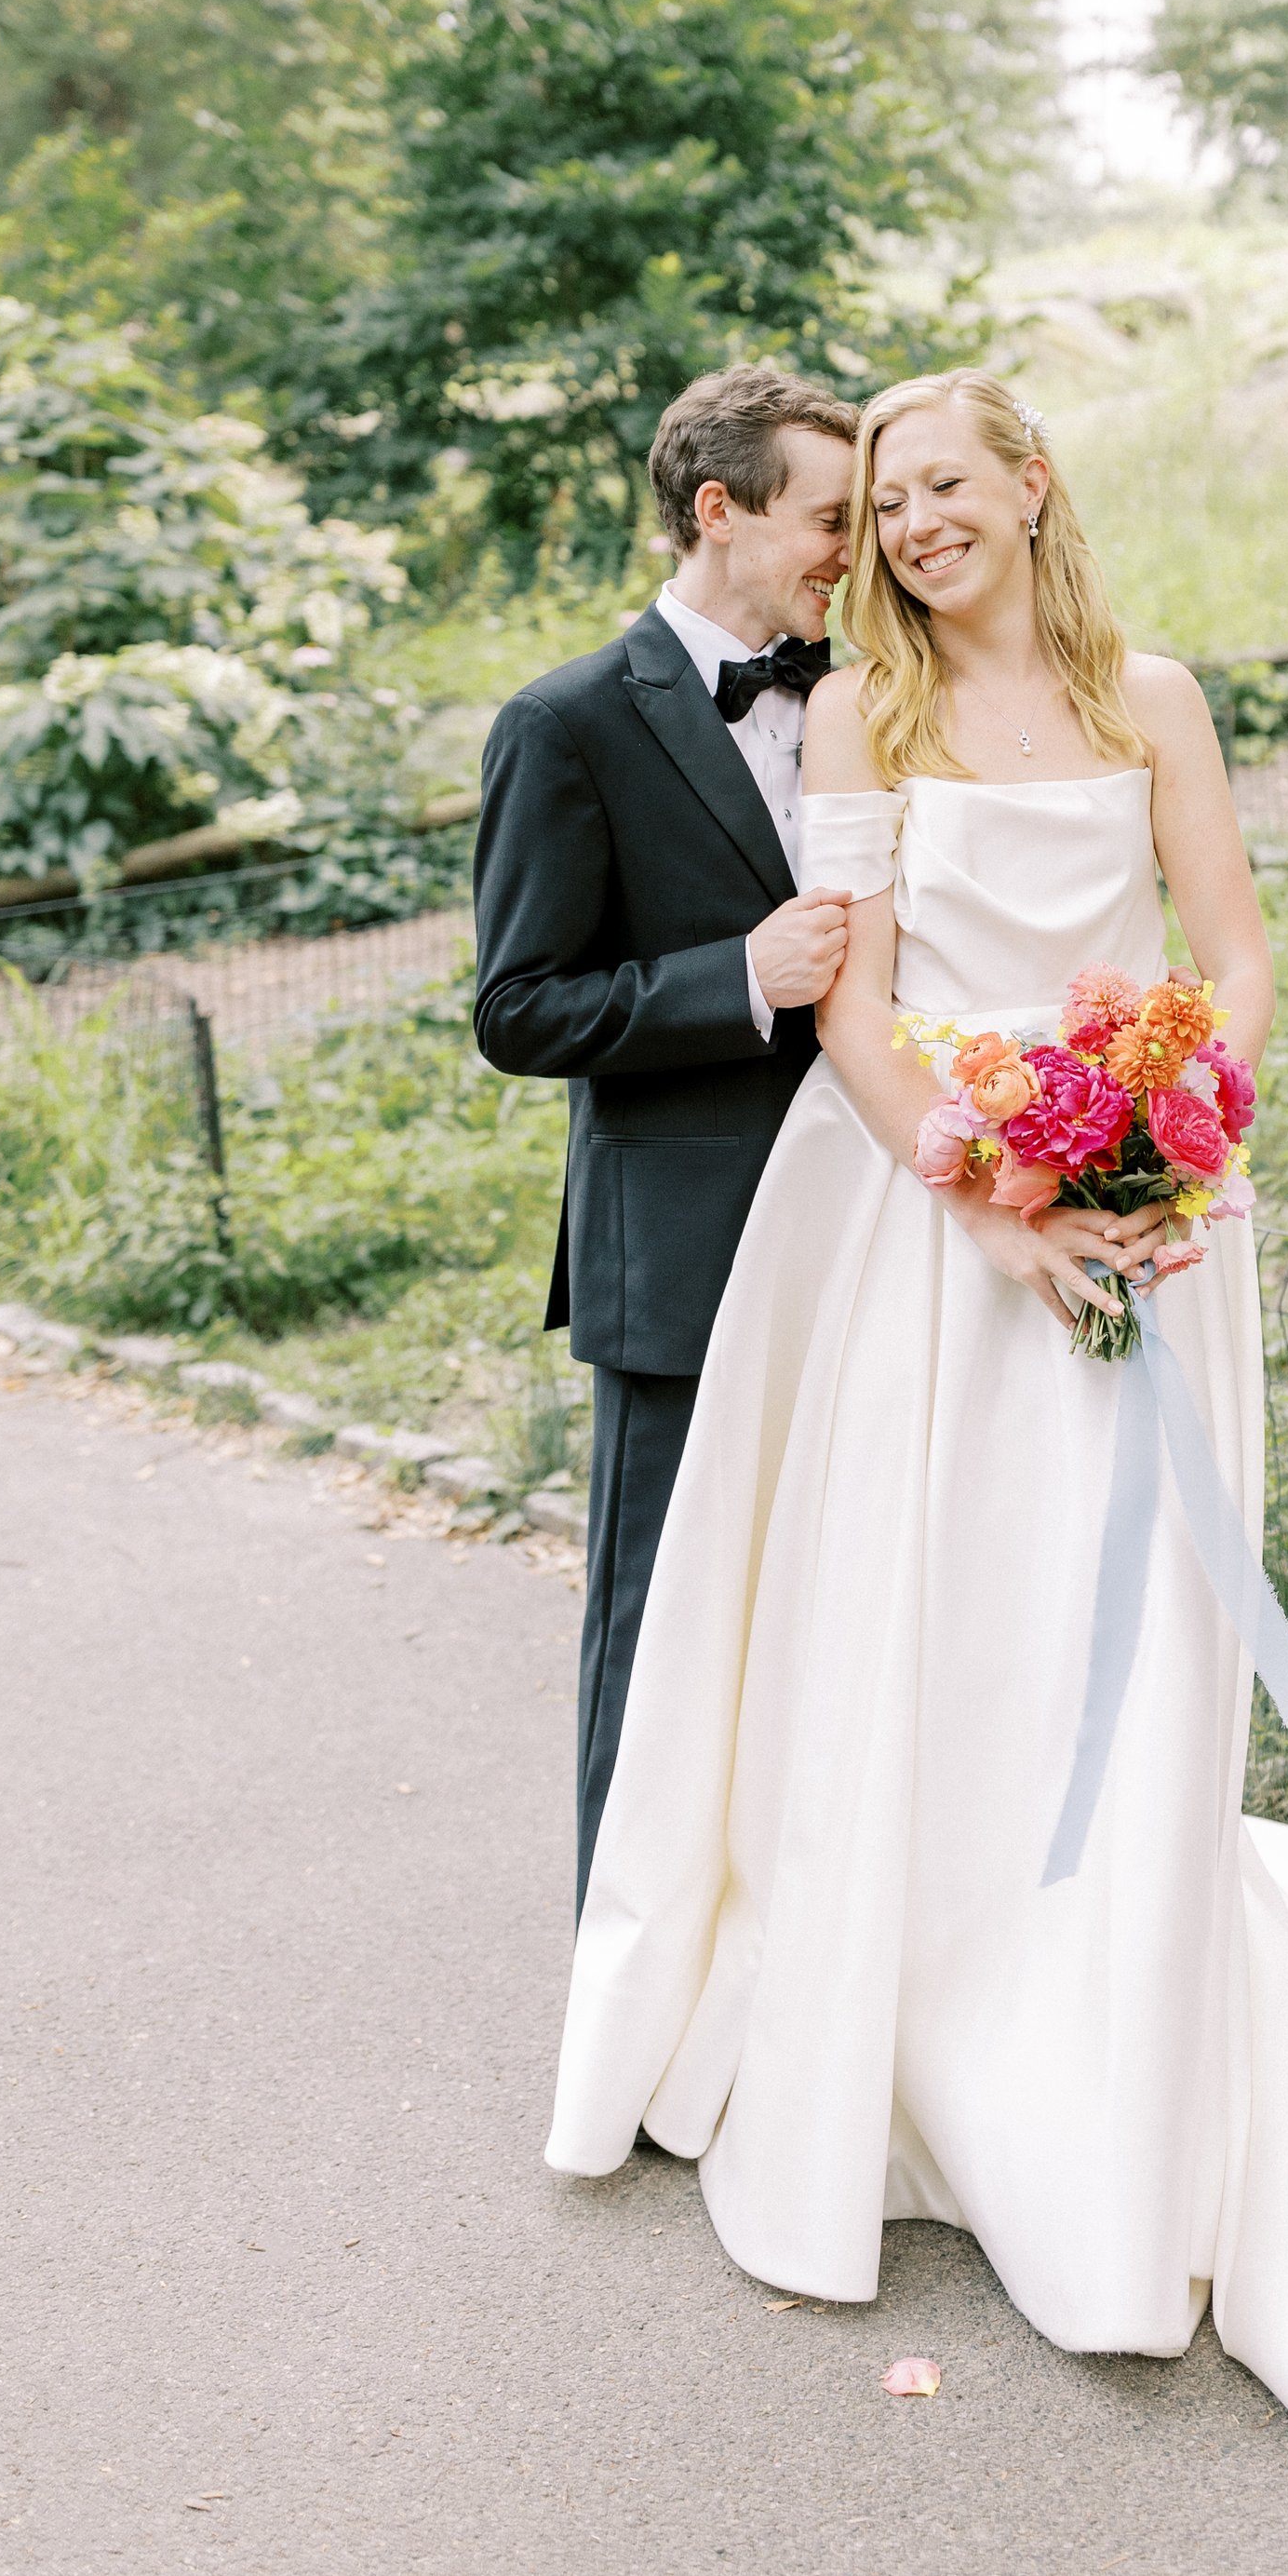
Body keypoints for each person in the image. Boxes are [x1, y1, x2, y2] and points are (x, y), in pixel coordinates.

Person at [543, 369, 1288, 2462]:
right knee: (943, 1622)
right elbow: (849, 1001)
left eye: (941, 486)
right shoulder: (863, 716)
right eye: (884, 501)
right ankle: (918, 2042)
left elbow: (1235, 952)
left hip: (1150, 1220)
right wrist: (993, 1199)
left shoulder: (1157, 701)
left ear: (1028, 486)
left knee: (1119, 1643)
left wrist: (1166, 1140)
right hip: (925, 1227)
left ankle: (1108, 2039)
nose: (911, 526)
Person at [472, 363, 863, 1917]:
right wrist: (736, 982)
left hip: (862, 1239)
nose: (856, 547)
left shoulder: (863, 698)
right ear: (722, 508)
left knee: (832, 1625)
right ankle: (631, 2004)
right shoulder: (564, 724)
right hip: (681, 1270)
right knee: (658, 1631)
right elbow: (520, 1007)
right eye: (831, 516)